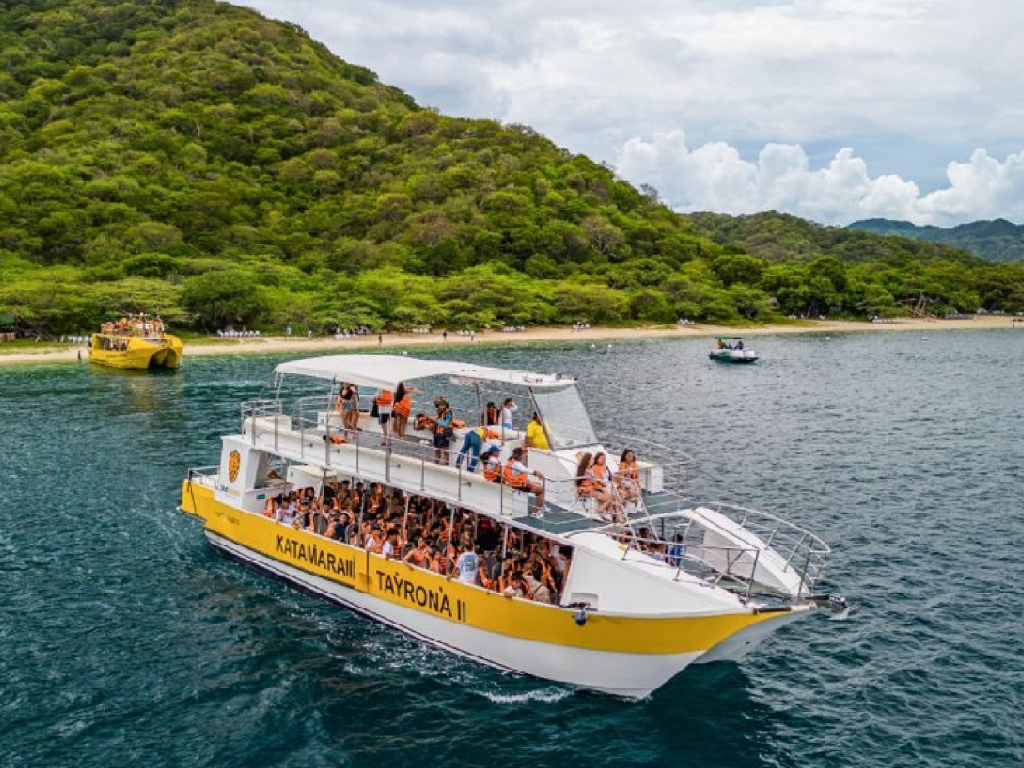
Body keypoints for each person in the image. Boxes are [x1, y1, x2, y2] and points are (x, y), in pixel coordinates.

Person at [502, 447, 546, 516]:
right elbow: (524, 470)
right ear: (520, 455)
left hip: (514, 483)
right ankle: (536, 512)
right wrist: (536, 472)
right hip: (519, 486)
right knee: (541, 490)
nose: (525, 455)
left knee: (538, 484)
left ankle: (540, 506)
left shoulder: (511, 461)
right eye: (523, 453)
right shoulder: (517, 464)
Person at [432, 397, 453, 465]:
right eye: (440, 405)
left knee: (445, 451)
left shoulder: (448, 413)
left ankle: (447, 464)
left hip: (444, 433)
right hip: (437, 433)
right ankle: (436, 463)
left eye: (442, 405)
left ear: (445, 405)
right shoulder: (439, 411)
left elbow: (446, 425)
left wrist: (437, 421)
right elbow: (435, 403)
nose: (440, 406)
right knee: (437, 450)